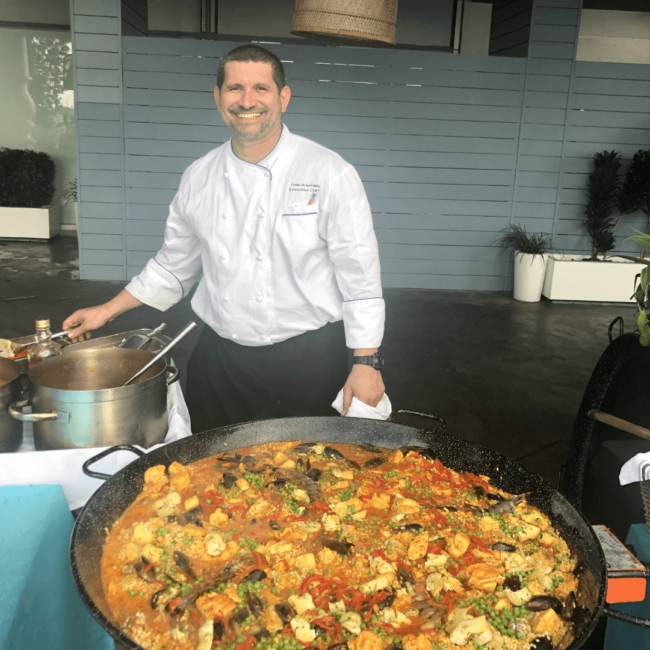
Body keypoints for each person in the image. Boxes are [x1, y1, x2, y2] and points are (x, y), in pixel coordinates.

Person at [63, 44, 385, 432]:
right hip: (222, 362)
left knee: (307, 476)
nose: (247, 101)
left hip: (310, 360)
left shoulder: (329, 172)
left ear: (283, 96)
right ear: (218, 98)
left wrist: (365, 364)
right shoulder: (198, 176)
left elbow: (360, 279)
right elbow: (172, 267)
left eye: (261, 89)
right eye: (235, 88)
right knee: (211, 475)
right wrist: (105, 312)